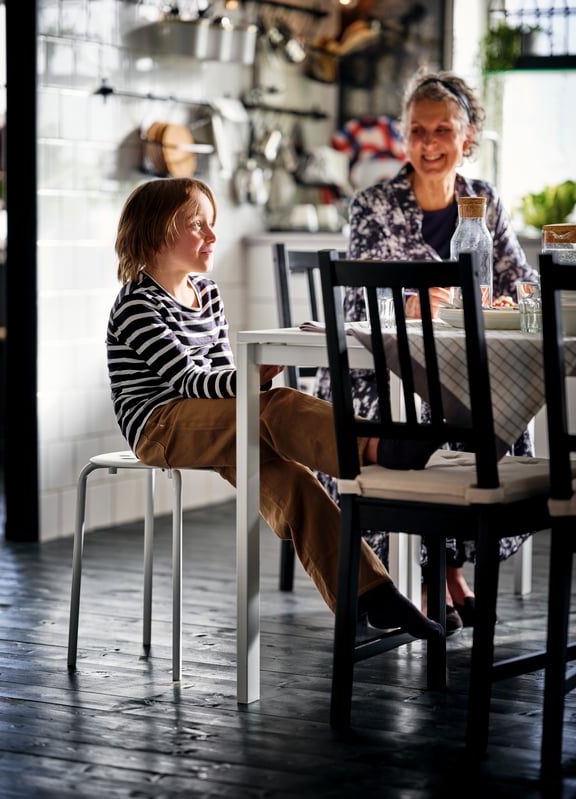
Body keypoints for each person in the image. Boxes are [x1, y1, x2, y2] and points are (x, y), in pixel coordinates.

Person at [106, 175, 445, 642]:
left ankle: (370, 594)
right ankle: (380, 446)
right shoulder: (137, 304)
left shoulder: (207, 294)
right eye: (197, 224)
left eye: (212, 223)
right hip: (160, 425)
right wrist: (255, 377)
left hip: (213, 420)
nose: (212, 235)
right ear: (157, 231)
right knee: (274, 407)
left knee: (294, 482)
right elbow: (188, 381)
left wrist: (251, 378)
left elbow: (221, 376)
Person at [313, 68, 539, 634]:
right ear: (403, 136)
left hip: (457, 367)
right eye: (418, 130)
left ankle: (444, 565)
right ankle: (427, 574)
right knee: (415, 424)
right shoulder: (372, 204)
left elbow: (519, 281)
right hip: (385, 373)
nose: (431, 143)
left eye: (444, 130)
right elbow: (357, 303)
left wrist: (494, 297)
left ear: (468, 138)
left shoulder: (483, 201)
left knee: (488, 416)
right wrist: (411, 303)